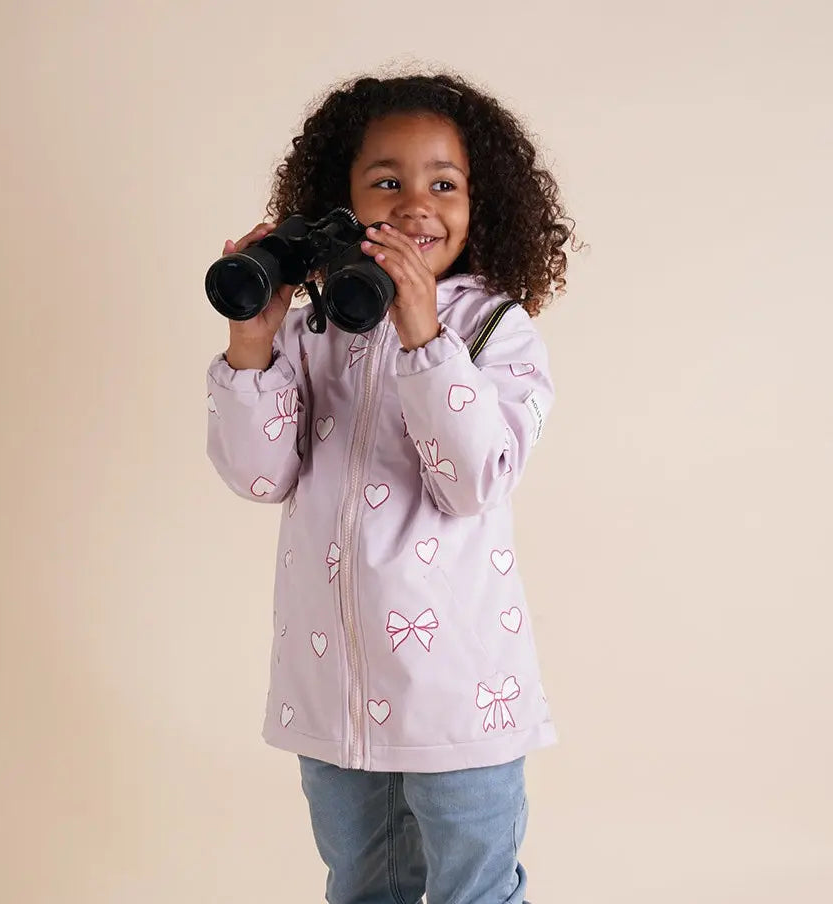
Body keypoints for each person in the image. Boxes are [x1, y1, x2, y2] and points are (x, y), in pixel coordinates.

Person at [206, 71, 575, 904]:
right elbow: (258, 474)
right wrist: (252, 345)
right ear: (340, 197)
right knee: (362, 885)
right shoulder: (314, 328)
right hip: (334, 689)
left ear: (485, 206)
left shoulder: (494, 331)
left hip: (459, 695)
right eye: (387, 181)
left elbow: (473, 477)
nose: (416, 204)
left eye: (443, 184)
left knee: (472, 888)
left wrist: (422, 334)